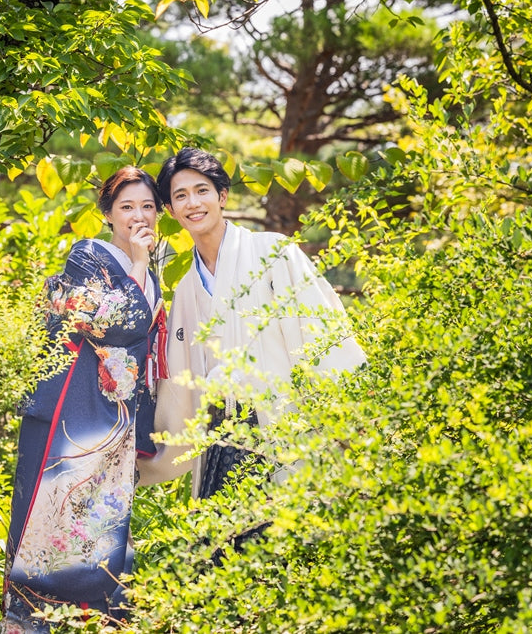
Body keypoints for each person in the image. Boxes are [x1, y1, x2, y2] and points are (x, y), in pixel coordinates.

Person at [137, 147, 365, 498]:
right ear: (170, 210)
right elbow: (180, 386)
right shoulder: (186, 290)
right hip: (220, 436)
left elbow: (323, 334)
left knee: (288, 536)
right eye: (180, 196)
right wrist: (146, 455)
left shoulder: (274, 252)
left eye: (202, 191)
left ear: (222, 196)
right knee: (226, 545)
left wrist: (352, 420)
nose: (193, 203)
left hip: (282, 423)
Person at [0, 167, 167, 632]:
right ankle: (32, 618)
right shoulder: (88, 254)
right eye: (127, 207)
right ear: (108, 213)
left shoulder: (150, 266)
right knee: (50, 512)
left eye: (148, 206)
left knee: (99, 519)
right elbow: (114, 322)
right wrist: (135, 263)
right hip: (71, 413)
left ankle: (95, 616)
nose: (138, 216)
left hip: (111, 418)